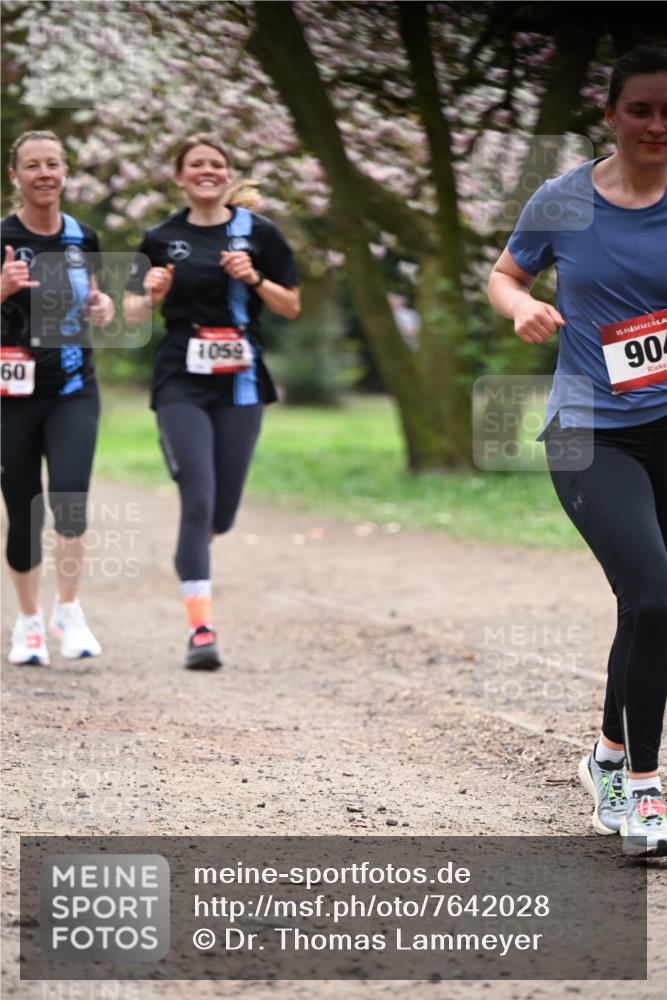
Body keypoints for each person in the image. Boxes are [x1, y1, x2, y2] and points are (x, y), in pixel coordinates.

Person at [488, 43, 667, 857]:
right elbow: (504, 274)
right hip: (590, 431)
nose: (655, 126)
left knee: (649, 606)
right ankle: (642, 793)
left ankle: (605, 754)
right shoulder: (562, 199)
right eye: (640, 109)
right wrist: (518, 305)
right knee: (655, 595)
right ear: (610, 114)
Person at [123, 134, 300, 670]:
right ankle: (201, 629)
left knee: (220, 514)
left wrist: (255, 278)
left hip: (241, 380)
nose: (207, 170)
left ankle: (193, 547)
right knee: (197, 498)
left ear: (227, 175)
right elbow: (130, 315)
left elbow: (290, 305)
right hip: (180, 377)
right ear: (179, 177)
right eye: (195, 164)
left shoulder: (258, 233)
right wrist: (150, 292)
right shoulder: (160, 237)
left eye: (216, 164)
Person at [1, 130, 115, 664]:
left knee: (70, 499)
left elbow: (91, 298)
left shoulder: (82, 237)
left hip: (73, 389)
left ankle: (67, 611)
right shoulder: (1, 236)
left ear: (65, 172)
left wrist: (102, 307)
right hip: (10, 395)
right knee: (24, 511)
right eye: (32, 165)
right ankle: (27, 623)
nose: (44, 173)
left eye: (53, 163)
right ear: (15, 177)